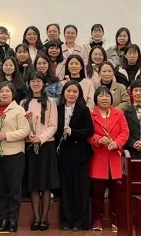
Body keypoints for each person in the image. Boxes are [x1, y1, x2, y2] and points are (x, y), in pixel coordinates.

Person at [0, 81, 29, 233]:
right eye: (1, 91)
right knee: (0, 189)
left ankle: (13, 220)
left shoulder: (19, 110)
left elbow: (25, 130)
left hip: (14, 154)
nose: (4, 94)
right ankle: (3, 218)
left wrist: (7, 136)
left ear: (12, 94)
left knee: (14, 189)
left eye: (7, 91)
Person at [88, 86, 129, 232]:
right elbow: (88, 133)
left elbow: (125, 132)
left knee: (116, 193)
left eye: (107, 95)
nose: (104, 98)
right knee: (97, 192)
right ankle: (97, 219)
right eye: (101, 96)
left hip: (115, 157)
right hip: (98, 157)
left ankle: (116, 218)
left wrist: (117, 143)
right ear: (96, 99)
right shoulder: (91, 114)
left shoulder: (119, 113)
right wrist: (98, 140)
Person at [22, 71, 60, 231]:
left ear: (44, 83)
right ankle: (36, 218)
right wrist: (28, 135)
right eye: (33, 81)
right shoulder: (23, 102)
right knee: (34, 183)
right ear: (29, 83)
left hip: (46, 146)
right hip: (30, 146)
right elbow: (21, 123)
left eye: (39, 81)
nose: (36, 83)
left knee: (45, 184)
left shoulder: (51, 102)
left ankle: (44, 218)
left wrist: (41, 138)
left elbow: (53, 125)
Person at [55, 80, 93, 231]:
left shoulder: (83, 110)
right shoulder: (57, 109)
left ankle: (80, 222)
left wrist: (73, 132)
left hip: (80, 155)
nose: (71, 94)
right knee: (66, 189)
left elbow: (89, 130)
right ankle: (66, 221)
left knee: (80, 189)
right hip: (63, 154)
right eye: (68, 91)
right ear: (63, 92)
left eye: (75, 92)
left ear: (79, 94)